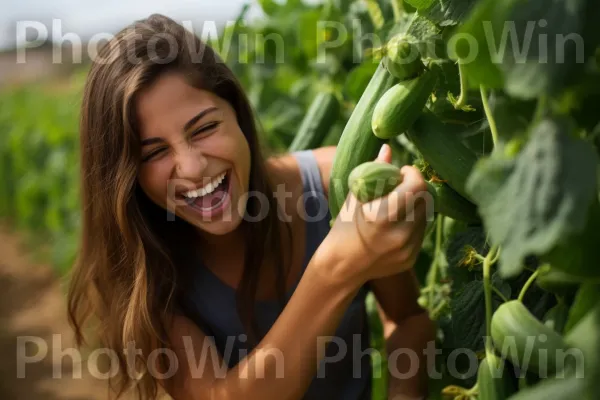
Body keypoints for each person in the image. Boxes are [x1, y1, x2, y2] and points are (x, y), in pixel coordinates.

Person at [66, 13, 435, 400]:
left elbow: (407, 319)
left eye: (205, 128)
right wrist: (337, 267)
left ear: (237, 114)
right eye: (155, 152)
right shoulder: (148, 273)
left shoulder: (333, 187)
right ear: (127, 177)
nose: (192, 168)